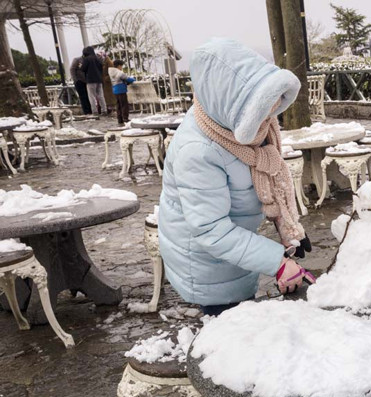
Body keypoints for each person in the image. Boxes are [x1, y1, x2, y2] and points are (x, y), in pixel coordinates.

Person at [158, 38, 312, 316]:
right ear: (235, 107)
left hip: (233, 250)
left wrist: (289, 232)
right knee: (228, 332)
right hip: (206, 263)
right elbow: (211, 231)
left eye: (272, 109)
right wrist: (277, 262)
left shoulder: (234, 122)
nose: (269, 120)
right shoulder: (198, 151)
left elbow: (270, 184)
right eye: (261, 111)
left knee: (243, 323)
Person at [81, 46, 107, 116]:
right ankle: (104, 110)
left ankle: (94, 111)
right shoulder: (98, 58)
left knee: (91, 96)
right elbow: (101, 68)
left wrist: (81, 65)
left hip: (90, 80)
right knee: (101, 95)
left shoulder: (87, 59)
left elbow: (83, 69)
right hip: (99, 79)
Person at [108, 59, 135, 126]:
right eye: (121, 66)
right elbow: (128, 79)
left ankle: (120, 120)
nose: (122, 67)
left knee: (118, 106)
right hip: (121, 90)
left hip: (115, 90)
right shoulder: (119, 72)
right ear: (119, 66)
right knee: (124, 105)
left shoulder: (111, 72)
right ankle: (125, 118)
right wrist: (133, 79)